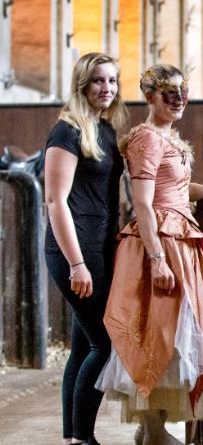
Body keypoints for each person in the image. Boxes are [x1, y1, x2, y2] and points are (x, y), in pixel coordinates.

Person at [96, 64, 203, 445]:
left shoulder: (167, 137)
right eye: (168, 93)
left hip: (182, 236)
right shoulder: (147, 138)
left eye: (182, 92)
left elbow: (175, 189)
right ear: (150, 97)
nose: (178, 100)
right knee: (161, 331)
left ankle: (153, 429)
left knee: (188, 331)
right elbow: (143, 203)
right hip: (160, 242)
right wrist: (157, 257)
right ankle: (154, 428)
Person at [44, 52, 128, 445]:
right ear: (82, 84)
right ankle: (83, 437)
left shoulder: (105, 130)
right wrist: (77, 264)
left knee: (82, 347)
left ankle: (72, 436)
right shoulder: (67, 131)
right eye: (98, 81)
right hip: (73, 251)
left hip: (100, 248)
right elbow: (55, 201)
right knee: (104, 343)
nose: (106, 88)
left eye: (111, 81)